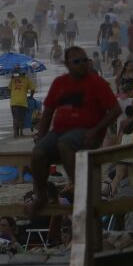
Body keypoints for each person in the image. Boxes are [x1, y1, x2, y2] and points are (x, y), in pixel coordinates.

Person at [29, 47, 120, 217]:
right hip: (60, 131)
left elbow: (115, 110)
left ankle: (80, 192)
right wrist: (41, 139)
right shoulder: (59, 83)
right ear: (67, 64)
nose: (82, 64)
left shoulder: (96, 83)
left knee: (65, 143)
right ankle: (40, 196)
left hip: (87, 132)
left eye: (84, 60)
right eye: (77, 62)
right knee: (38, 153)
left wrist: (96, 131)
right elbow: (47, 113)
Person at [9, 70, 34, 138]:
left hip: (13, 102)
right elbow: (33, 89)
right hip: (22, 102)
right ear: (25, 73)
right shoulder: (27, 80)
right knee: (21, 118)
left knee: (15, 118)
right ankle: (21, 133)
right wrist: (31, 96)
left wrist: (12, 79)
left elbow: (9, 88)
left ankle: (15, 133)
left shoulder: (13, 79)